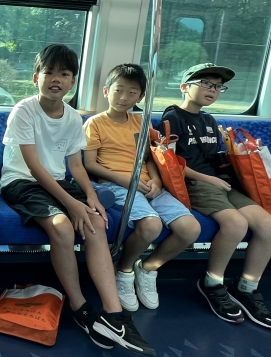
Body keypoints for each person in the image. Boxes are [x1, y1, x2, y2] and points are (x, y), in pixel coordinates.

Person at [0, 44, 155, 357]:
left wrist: (90, 196)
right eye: (49, 72)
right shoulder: (25, 110)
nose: (56, 79)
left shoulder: (72, 118)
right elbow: (34, 167)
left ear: (73, 82)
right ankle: (80, 306)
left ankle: (114, 315)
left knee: (96, 221)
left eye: (64, 74)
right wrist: (71, 204)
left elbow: (75, 166)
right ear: (36, 78)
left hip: (58, 182)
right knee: (62, 227)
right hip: (22, 181)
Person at [159, 63, 271, 329]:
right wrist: (208, 179)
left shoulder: (209, 121)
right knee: (235, 224)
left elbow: (216, 159)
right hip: (195, 184)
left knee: (269, 226)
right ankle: (212, 283)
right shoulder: (172, 118)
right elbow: (170, 163)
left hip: (222, 183)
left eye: (217, 86)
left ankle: (247, 287)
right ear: (184, 87)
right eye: (205, 84)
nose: (212, 90)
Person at [83, 64, 200, 311]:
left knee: (190, 229)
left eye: (132, 92)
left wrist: (157, 181)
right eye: (118, 90)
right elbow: (90, 164)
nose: (124, 97)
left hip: (147, 183)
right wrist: (126, 181)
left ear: (141, 97)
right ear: (106, 91)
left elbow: (148, 158)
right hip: (116, 184)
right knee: (151, 225)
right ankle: (124, 270)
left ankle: (147, 268)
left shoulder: (142, 122)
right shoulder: (95, 124)